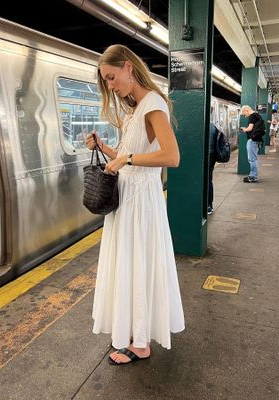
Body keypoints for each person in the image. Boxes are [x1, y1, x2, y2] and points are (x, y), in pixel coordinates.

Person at [85, 44, 185, 365]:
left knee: (138, 268)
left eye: (112, 78)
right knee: (130, 268)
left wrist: (126, 157)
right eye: (107, 81)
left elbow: (171, 157)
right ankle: (134, 330)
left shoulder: (153, 105)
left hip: (141, 203)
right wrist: (106, 148)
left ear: (129, 68)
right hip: (128, 201)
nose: (111, 86)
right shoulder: (134, 109)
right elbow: (128, 157)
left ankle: (141, 344)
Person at [240, 105, 264, 183]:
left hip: (253, 140)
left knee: (252, 159)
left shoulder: (252, 116)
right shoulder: (257, 115)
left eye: (244, 114)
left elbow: (250, 128)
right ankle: (252, 175)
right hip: (257, 140)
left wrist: (244, 129)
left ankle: (253, 177)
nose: (245, 116)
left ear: (247, 110)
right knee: (254, 159)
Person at [208, 121, 218, 214]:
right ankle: (209, 205)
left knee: (207, 181)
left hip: (207, 156)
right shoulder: (212, 126)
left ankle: (208, 205)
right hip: (212, 156)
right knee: (208, 180)